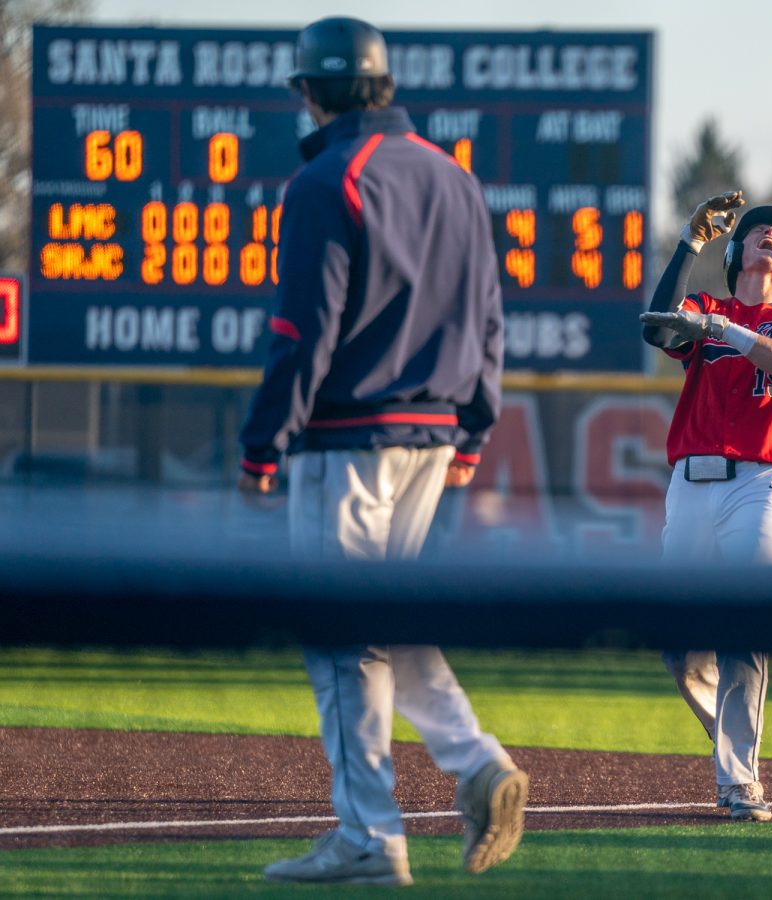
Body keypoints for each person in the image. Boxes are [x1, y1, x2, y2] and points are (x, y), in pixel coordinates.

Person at [236, 16, 525, 886]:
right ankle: (477, 765)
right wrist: (475, 425)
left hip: (346, 437)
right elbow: (489, 321)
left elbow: (304, 329)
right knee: (387, 621)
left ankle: (370, 835)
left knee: (338, 639)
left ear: (310, 91)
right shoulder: (453, 177)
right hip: (434, 435)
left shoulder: (327, 178)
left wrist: (263, 441)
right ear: (384, 85)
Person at [639, 191, 772, 822]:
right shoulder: (707, 306)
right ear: (734, 251)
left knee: (745, 616)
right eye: (758, 231)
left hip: (766, 479)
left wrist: (730, 331)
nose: (770, 236)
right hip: (692, 479)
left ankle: (738, 779)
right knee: (677, 643)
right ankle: (731, 729)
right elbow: (656, 325)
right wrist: (686, 245)